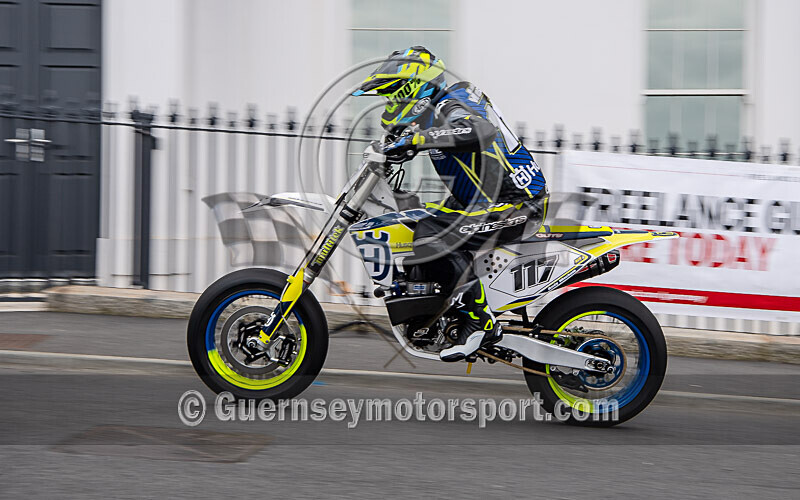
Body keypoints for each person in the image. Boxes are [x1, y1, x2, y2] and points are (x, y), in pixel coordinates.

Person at [352, 46, 548, 362]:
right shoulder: (434, 111)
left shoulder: (453, 101)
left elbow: (480, 130)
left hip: (517, 203)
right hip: (477, 201)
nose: (391, 104)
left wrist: (417, 140)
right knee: (412, 227)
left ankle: (480, 322)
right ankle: (439, 315)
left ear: (412, 86)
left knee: (432, 233)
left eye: (393, 95)